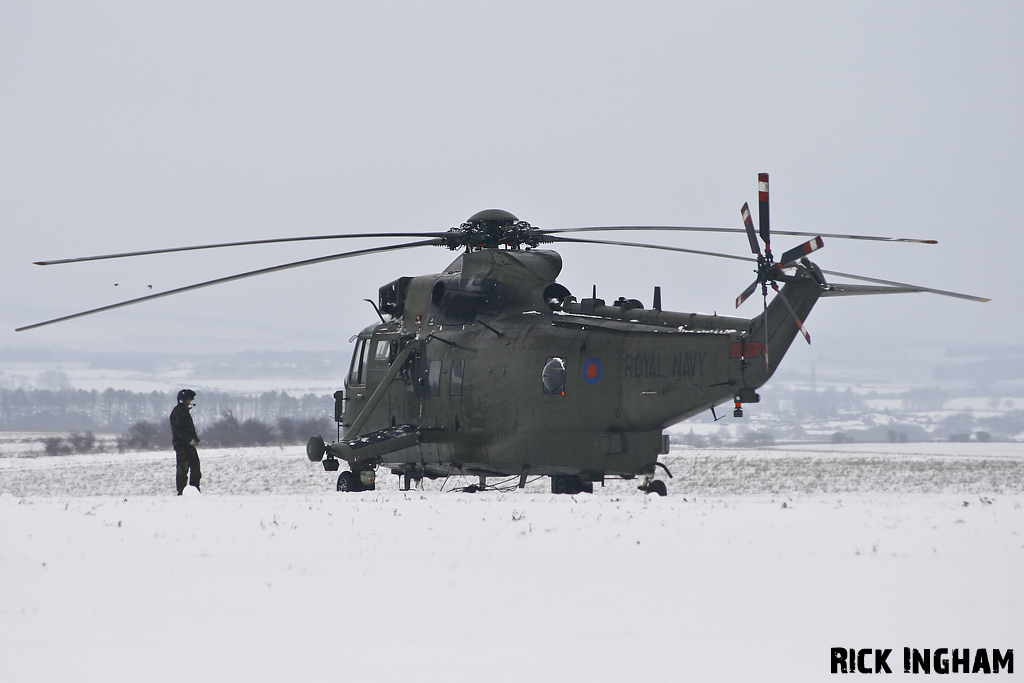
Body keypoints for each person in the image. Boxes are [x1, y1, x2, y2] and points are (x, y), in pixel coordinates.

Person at [170, 389, 201, 495]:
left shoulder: (185, 412)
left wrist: (195, 439)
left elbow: (188, 429)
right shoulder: (177, 413)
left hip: (190, 446)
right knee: (182, 471)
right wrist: (189, 440)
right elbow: (178, 431)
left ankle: (194, 491)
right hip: (182, 447)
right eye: (189, 400)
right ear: (183, 400)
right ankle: (182, 493)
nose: (191, 402)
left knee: (196, 469)